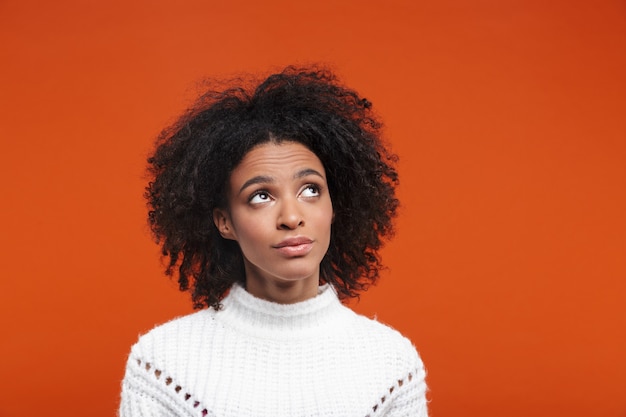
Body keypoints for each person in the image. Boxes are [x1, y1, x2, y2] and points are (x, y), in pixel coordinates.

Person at [119, 66, 428, 417]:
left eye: (310, 190)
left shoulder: (391, 364)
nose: (291, 216)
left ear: (335, 206)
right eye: (261, 196)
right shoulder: (163, 365)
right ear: (224, 222)